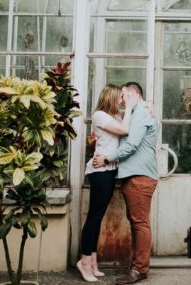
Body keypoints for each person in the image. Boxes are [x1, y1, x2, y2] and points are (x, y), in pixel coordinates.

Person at [93, 81, 158, 285]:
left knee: (140, 223)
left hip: (140, 177)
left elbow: (130, 146)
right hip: (135, 176)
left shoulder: (140, 114)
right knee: (137, 222)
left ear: (132, 94)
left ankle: (140, 270)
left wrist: (106, 158)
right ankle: (137, 266)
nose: (121, 101)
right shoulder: (138, 113)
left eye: (123, 96)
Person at [77, 84, 132, 283]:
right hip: (100, 172)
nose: (122, 100)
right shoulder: (100, 115)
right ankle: (84, 262)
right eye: (119, 97)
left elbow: (127, 127)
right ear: (110, 97)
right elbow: (125, 130)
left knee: (97, 217)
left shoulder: (114, 117)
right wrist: (130, 106)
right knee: (94, 217)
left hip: (109, 170)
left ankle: (92, 261)